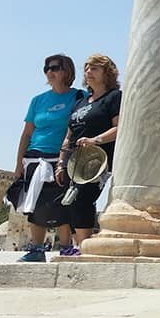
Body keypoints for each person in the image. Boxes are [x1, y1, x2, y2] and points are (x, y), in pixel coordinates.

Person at [11, 54, 83, 262]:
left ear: (66, 71)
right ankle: (37, 249)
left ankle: (66, 247)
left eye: (54, 68)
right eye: (46, 68)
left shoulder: (78, 96)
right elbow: (26, 134)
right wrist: (18, 164)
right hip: (34, 157)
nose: (49, 72)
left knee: (62, 202)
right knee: (35, 203)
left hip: (62, 157)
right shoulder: (38, 101)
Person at [55, 54, 121, 251]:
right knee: (69, 202)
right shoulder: (81, 102)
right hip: (74, 162)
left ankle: (85, 247)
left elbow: (120, 128)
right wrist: (60, 163)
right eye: (87, 68)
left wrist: (95, 140)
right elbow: (69, 135)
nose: (88, 72)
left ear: (106, 73)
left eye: (94, 68)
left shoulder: (114, 97)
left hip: (98, 160)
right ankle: (78, 246)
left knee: (83, 198)